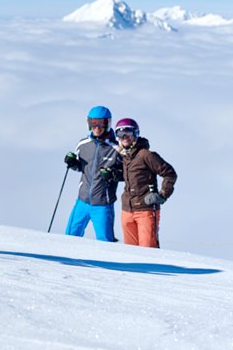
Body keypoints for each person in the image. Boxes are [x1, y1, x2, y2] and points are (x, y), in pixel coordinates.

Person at [114, 117, 177, 248]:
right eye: (120, 133)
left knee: (148, 250)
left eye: (128, 133)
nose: (124, 137)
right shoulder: (124, 156)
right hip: (126, 210)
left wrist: (162, 195)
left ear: (136, 134)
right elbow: (132, 177)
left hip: (145, 210)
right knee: (130, 252)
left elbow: (170, 173)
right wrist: (114, 175)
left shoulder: (146, 155)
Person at [63, 106, 120, 242]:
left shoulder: (116, 148)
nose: (97, 127)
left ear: (108, 123)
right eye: (93, 123)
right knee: (69, 237)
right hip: (82, 202)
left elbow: (125, 174)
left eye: (101, 123)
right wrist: (72, 163)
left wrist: (113, 174)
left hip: (102, 204)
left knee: (105, 241)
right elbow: (82, 167)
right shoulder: (83, 144)